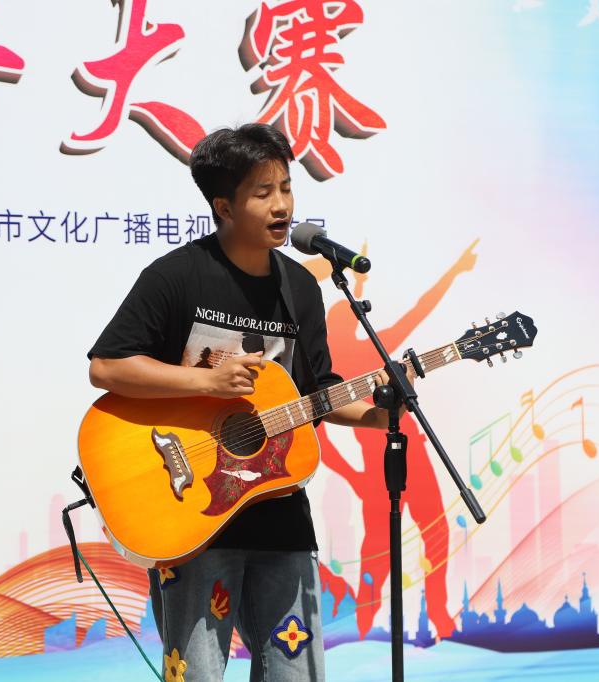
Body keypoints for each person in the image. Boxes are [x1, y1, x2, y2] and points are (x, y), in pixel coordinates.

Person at [87, 123, 408, 681]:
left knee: (297, 674)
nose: (282, 205)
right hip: (189, 517)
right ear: (224, 207)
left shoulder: (300, 288)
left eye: (286, 187)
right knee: (199, 675)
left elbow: (315, 394)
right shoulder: (177, 276)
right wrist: (206, 384)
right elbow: (107, 366)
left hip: (279, 512)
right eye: (263, 192)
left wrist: (379, 414)